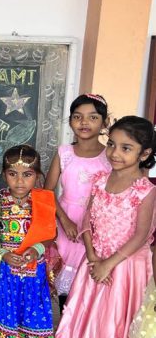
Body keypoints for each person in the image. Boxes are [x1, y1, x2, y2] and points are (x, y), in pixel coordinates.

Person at [54, 116, 156, 338]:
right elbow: (87, 221)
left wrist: (109, 264)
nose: (114, 153)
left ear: (144, 153)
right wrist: (93, 256)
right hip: (95, 261)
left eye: (126, 148)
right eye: (111, 144)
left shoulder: (146, 190)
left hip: (125, 269)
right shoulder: (100, 180)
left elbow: (141, 236)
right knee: (91, 318)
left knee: (116, 323)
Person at [0, 146, 57, 338]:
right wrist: (3, 252)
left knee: (32, 312)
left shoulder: (43, 200)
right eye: (13, 174)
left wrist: (36, 250)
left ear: (38, 175)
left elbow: (50, 234)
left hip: (34, 271)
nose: (20, 181)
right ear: (4, 174)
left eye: (27, 174)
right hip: (4, 270)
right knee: (4, 310)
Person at [44, 94, 111, 310]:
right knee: (61, 283)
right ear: (70, 120)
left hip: (95, 228)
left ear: (104, 122)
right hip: (65, 222)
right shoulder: (64, 153)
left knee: (85, 283)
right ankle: (64, 323)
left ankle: (78, 327)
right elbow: (47, 191)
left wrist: (92, 226)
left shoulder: (110, 157)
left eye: (93, 117)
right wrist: (64, 220)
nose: (84, 122)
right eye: (77, 116)